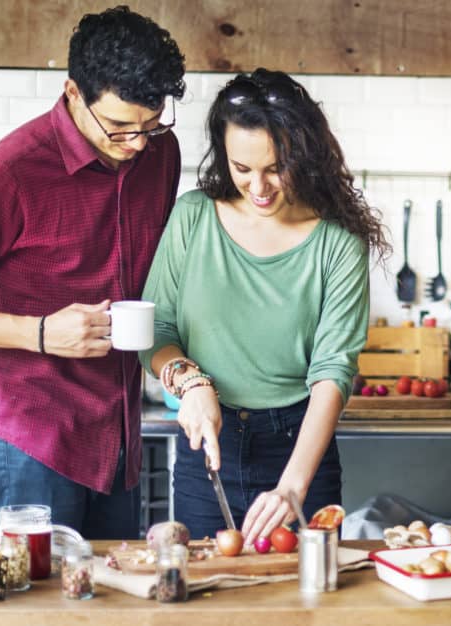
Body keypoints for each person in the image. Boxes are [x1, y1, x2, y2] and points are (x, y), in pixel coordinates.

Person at [0, 6, 186, 539]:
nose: (138, 143)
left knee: (109, 610)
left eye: (151, 124)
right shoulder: (9, 173)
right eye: (120, 126)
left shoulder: (159, 154)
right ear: (73, 93)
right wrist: (38, 332)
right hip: (30, 441)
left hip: (118, 442)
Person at [140, 68, 390, 544]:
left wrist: (292, 486)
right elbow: (158, 327)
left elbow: (333, 370)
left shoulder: (337, 242)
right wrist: (188, 382)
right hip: (207, 448)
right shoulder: (193, 217)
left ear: (305, 155)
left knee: (308, 607)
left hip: (300, 448)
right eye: (242, 169)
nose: (259, 187)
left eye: (276, 168)